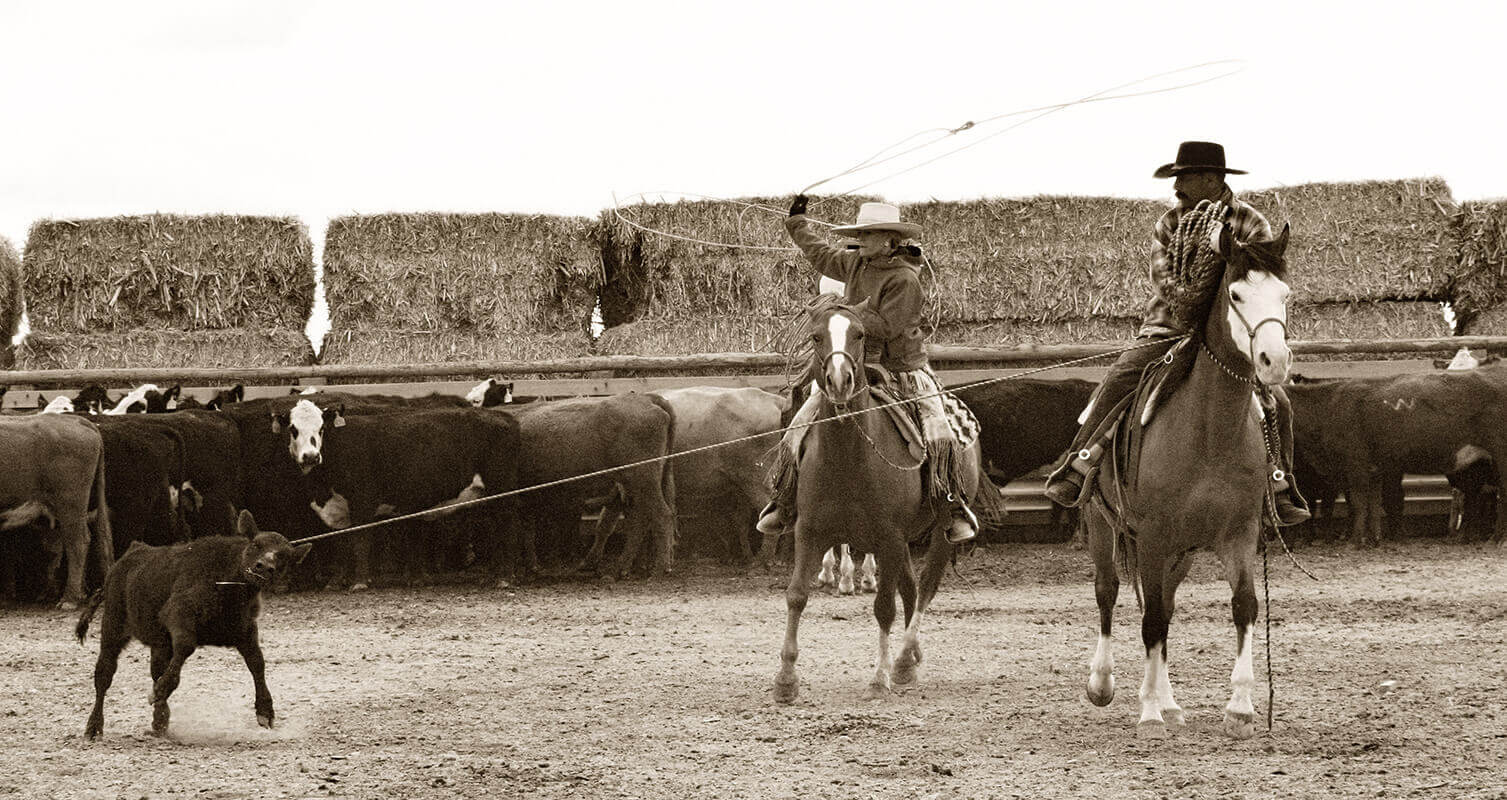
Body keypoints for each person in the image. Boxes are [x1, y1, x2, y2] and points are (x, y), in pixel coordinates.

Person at [1042, 141, 1310, 525]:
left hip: (1232, 337)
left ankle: (1278, 484)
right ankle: (1079, 465)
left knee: (1278, 403)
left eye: (1184, 178)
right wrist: (1194, 303)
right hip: (1168, 327)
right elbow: (1163, 280)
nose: (1176, 187)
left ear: (1211, 179)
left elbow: (1260, 280)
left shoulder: (1252, 223)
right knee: (1120, 377)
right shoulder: (1169, 223)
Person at [757, 196, 978, 544]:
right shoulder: (856, 263)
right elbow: (821, 255)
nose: (860, 240)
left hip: (902, 369)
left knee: (939, 427)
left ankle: (950, 506)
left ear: (889, 240)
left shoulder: (905, 279)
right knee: (798, 424)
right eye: (859, 234)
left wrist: (843, 317)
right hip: (853, 364)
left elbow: (889, 326)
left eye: (868, 235)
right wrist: (797, 224)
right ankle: (784, 501)